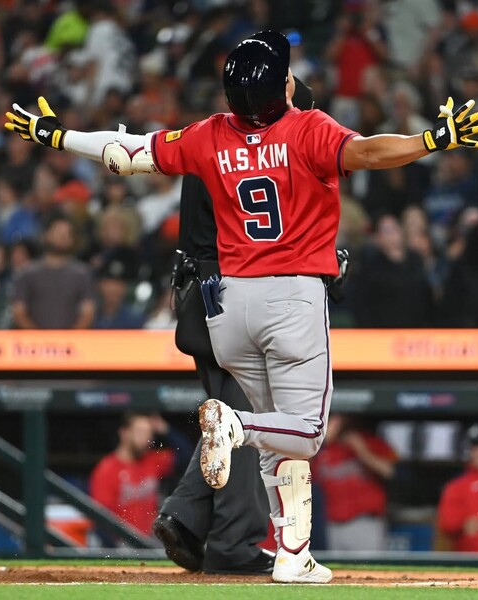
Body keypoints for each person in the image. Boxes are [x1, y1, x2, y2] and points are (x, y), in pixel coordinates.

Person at [4, 30, 478, 583]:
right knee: (305, 431)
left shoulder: (208, 134)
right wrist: (434, 138)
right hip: (291, 297)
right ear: (282, 88)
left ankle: (293, 553)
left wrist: (57, 134)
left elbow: (124, 153)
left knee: (279, 438)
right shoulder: (308, 127)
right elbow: (371, 151)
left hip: (230, 304)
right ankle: (234, 425)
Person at [152, 76, 316, 577]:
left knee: (232, 418)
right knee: (252, 417)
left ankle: (186, 515)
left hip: (201, 296)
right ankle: (232, 543)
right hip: (232, 299)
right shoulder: (247, 149)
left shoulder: (212, 138)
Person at [89, 411, 191, 545]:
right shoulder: (107, 469)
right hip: (121, 542)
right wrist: (115, 549)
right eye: (140, 432)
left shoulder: (152, 460)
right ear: (124, 433)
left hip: (150, 539)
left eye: (149, 433)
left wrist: (165, 429)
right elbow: (101, 518)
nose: (145, 438)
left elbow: (186, 455)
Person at [313, 414, 398, 551]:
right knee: (336, 565)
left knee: (369, 565)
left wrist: (362, 451)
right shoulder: (323, 449)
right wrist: (321, 443)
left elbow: (389, 471)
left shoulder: (370, 441)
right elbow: (304, 475)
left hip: (364, 523)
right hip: (333, 524)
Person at [11, 214, 96, 329]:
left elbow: (88, 313)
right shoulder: (28, 273)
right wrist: (39, 336)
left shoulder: (82, 274)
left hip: (72, 339)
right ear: (47, 235)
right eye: (58, 232)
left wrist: (70, 337)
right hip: (34, 339)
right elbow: (19, 311)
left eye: (67, 233)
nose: (63, 236)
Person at [436, 423, 478, 552]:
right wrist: (463, 524)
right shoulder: (457, 487)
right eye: (472, 447)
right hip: (472, 560)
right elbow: (447, 524)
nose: (475, 452)